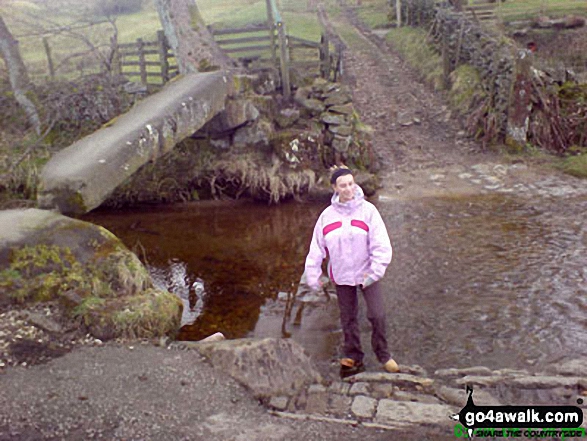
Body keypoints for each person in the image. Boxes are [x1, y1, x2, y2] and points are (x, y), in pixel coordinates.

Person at [304, 167, 399, 377]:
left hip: (368, 273)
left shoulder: (368, 212)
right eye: (343, 185)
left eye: (350, 184)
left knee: (377, 315)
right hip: (342, 275)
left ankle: (384, 355)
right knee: (348, 318)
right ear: (335, 188)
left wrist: (375, 271)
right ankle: (353, 356)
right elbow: (316, 249)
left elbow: (381, 245)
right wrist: (313, 276)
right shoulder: (326, 217)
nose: (348, 189)